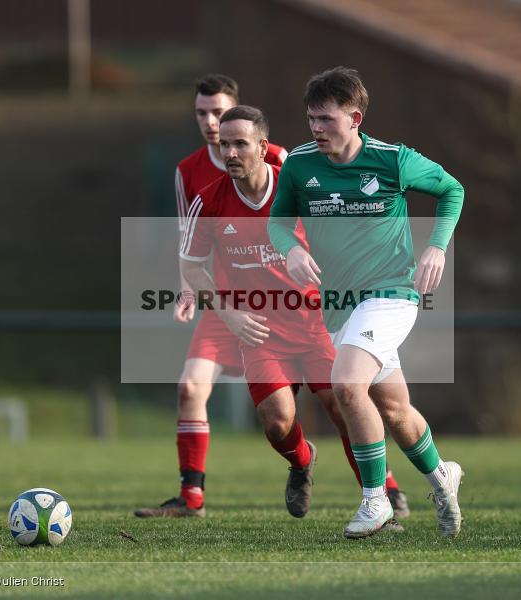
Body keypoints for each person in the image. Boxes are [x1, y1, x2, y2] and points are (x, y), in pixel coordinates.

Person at [179, 105, 403, 525]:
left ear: (263, 148)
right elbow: (191, 266)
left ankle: (380, 503)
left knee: (342, 407)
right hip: (260, 331)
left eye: (240, 143)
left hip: (318, 324)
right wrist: (228, 315)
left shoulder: (301, 190)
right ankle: (302, 462)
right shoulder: (208, 201)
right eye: (224, 144)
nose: (230, 152)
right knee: (277, 422)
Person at [268, 66, 465, 539]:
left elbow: (451, 189)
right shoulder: (298, 164)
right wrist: (291, 249)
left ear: (354, 117)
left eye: (326, 119)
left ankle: (375, 501)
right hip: (338, 305)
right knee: (394, 409)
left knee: (346, 386)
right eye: (311, 119)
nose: (316, 128)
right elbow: (277, 223)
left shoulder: (392, 159)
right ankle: (442, 477)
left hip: (391, 293)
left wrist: (436, 246)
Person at [134, 75, 286, 518]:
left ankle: (386, 487)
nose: (210, 122)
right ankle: (191, 498)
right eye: (201, 113)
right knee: (189, 387)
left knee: (339, 396)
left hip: (288, 306)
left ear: (237, 112)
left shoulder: (279, 161)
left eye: (218, 112)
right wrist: (187, 291)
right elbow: (190, 244)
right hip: (225, 306)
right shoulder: (188, 172)